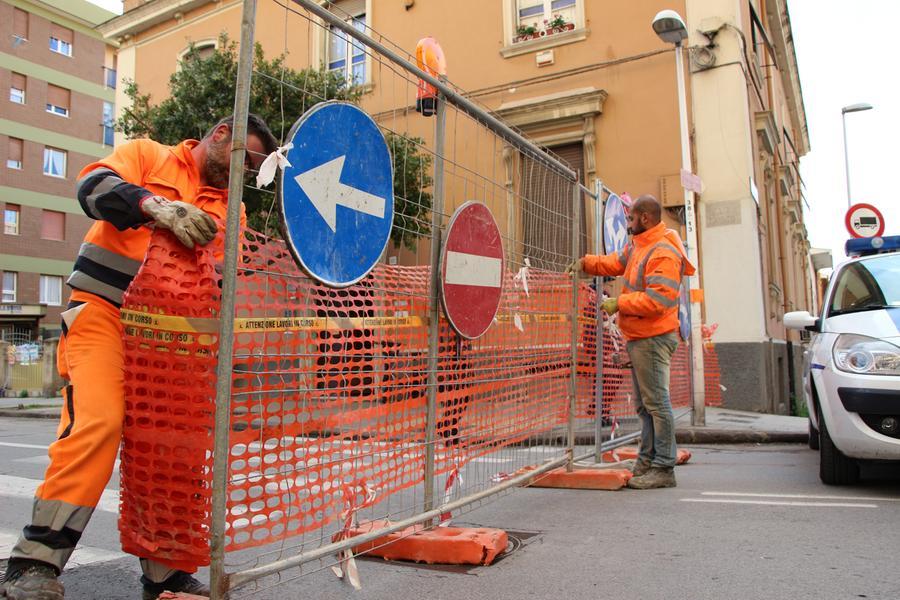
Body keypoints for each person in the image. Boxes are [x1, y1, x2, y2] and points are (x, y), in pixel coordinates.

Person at [0, 114, 278, 600]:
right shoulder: (148, 155)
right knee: (98, 423)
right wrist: (156, 206)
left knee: (173, 450)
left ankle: (166, 577)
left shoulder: (233, 210)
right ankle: (34, 564)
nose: (245, 175)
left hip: (170, 340)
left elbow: (219, 282)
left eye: (252, 170)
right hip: (103, 313)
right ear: (220, 135)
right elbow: (92, 187)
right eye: (242, 161)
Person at [567, 194, 695, 490]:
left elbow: (659, 300)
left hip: (653, 338)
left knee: (656, 404)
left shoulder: (662, 251)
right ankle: (648, 461)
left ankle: (663, 466)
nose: (627, 224)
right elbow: (616, 262)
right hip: (642, 338)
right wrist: (587, 263)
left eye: (630, 218)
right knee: (645, 406)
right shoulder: (642, 244)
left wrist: (619, 304)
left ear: (645, 218)